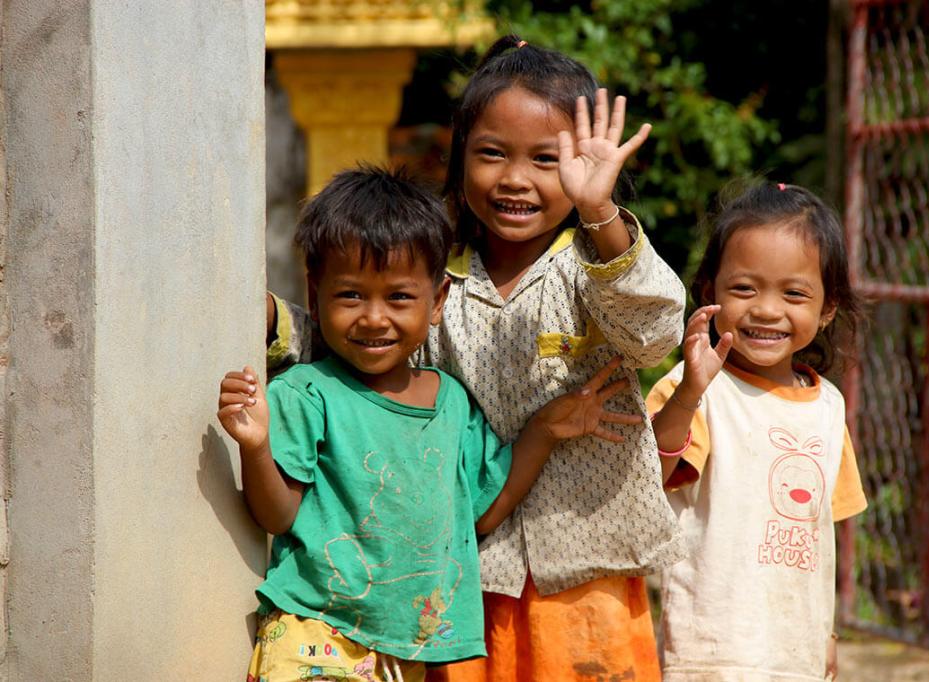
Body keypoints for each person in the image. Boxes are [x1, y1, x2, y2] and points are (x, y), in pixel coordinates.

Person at [267, 36, 688, 680]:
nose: (516, 179)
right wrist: (270, 322)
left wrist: (600, 211)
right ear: (461, 157)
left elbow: (656, 332)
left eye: (546, 160)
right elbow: (355, 341)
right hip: (464, 573)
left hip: (586, 565)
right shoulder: (438, 277)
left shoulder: (595, 263)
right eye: (492, 153)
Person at [220, 167, 643, 682]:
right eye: (350, 295)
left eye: (399, 297)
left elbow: (483, 512)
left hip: (406, 652)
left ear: (438, 300)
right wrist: (255, 446)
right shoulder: (306, 392)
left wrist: (544, 431)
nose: (374, 318)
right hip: (315, 635)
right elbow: (278, 515)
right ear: (315, 295)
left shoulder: (452, 403)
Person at [646, 181, 869, 681]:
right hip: (709, 653)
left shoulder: (828, 407)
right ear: (710, 292)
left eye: (794, 293)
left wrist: (827, 634)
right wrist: (687, 396)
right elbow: (645, 480)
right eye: (745, 288)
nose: (767, 309)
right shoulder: (693, 388)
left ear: (828, 308)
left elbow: (819, 533)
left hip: (796, 653)